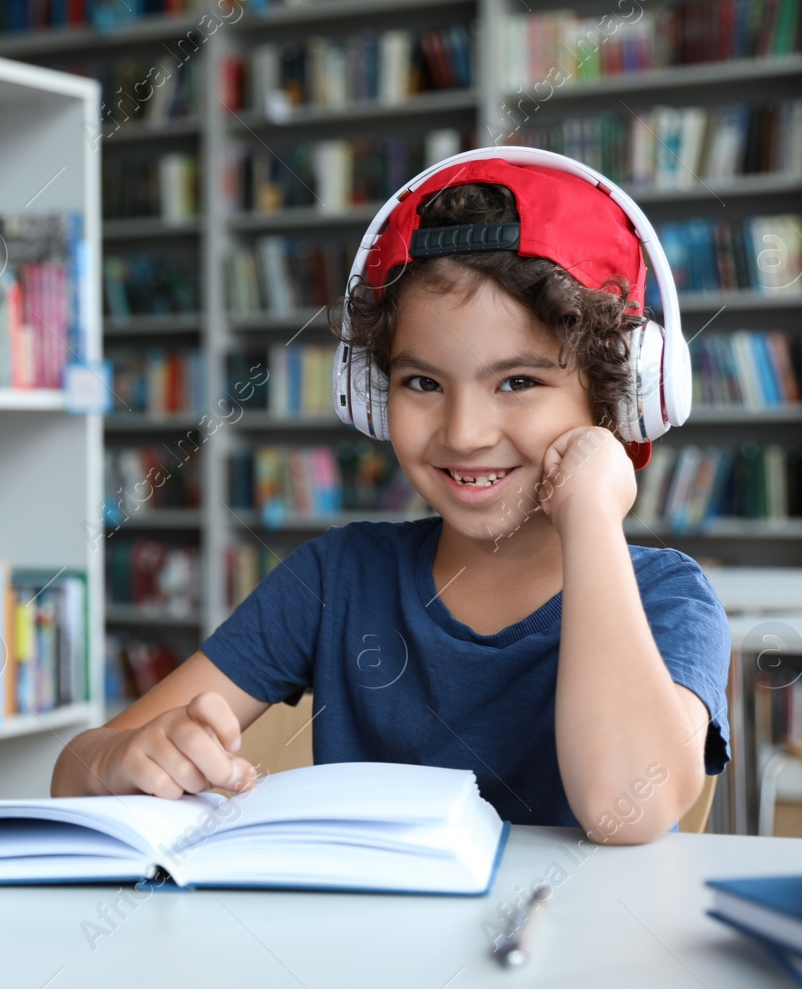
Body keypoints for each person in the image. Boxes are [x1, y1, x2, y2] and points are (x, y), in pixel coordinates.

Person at [53, 148, 732, 844]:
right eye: (423, 384)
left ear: (624, 397)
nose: (465, 434)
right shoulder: (338, 577)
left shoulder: (670, 598)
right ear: (372, 397)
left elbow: (626, 808)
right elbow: (73, 772)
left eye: (519, 382)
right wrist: (119, 758)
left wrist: (590, 509)